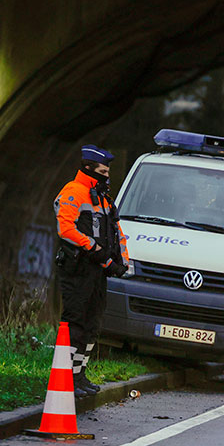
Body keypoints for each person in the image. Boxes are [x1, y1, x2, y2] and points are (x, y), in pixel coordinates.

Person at [53, 145, 129, 397]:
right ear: (89, 169)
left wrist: (121, 261)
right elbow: (66, 229)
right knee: (74, 322)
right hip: (78, 268)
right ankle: (66, 376)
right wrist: (93, 248)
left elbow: (117, 232)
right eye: (103, 171)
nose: (107, 176)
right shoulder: (74, 192)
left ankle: (79, 374)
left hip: (97, 270)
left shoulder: (103, 198)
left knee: (92, 324)